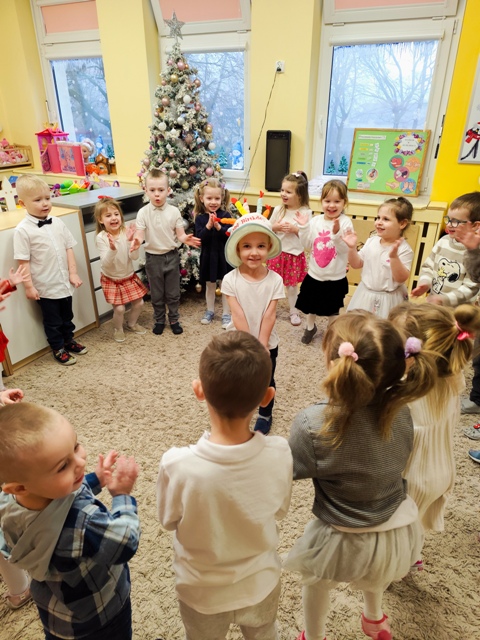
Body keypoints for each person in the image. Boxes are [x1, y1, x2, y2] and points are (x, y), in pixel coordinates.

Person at [285, 311, 436, 640]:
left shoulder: (312, 423)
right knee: (376, 572)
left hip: (340, 535)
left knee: (316, 581)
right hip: (394, 531)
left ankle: (314, 635)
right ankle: (374, 618)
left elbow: (289, 472)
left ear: (333, 362)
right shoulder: (402, 413)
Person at [156, 331, 292, 640]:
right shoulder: (280, 452)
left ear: (199, 391)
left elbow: (167, 520)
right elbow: (281, 510)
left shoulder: (177, 465)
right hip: (260, 584)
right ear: (267, 397)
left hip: (200, 592)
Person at [0, 403, 140, 639]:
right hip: (100, 617)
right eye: (63, 465)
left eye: (76, 446)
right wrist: (122, 496)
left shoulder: (9, 501)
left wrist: (96, 479)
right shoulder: (83, 522)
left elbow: (59, 495)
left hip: (56, 612)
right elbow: (126, 542)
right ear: (20, 487)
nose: (80, 462)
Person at [389, 302, 480, 569]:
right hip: (441, 470)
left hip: (411, 476)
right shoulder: (454, 376)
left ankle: (397, 564)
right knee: (416, 520)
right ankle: (413, 554)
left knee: (398, 525)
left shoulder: (403, 389)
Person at [13, 175, 87, 366]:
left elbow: (68, 248)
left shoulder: (58, 222)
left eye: (47, 198)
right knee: (53, 321)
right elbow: (23, 262)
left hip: (64, 282)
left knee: (67, 317)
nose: (45, 203)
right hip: (45, 287)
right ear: (22, 203)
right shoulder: (23, 230)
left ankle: (69, 340)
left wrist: (73, 273)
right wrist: (28, 286)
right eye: (38, 200)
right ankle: (58, 347)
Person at [221, 213, 284, 434]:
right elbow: (237, 313)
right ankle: (239, 410)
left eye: (260, 246)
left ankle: (265, 413)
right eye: (247, 246)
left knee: (266, 380)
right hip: (239, 341)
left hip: (267, 344)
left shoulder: (275, 280)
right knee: (238, 378)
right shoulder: (230, 279)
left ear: (269, 247)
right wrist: (250, 344)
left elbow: (270, 314)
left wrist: (262, 345)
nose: (254, 252)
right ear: (238, 249)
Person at [131, 168, 201, 336]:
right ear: (146, 190)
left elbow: (180, 234)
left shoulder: (174, 211)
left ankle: (174, 319)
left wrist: (185, 239)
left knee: (173, 293)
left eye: (161, 190)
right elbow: (140, 234)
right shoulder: (143, 212)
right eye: (152, 190)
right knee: (156, 294)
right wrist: (137, 241)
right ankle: (159, 320)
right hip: (153, 259)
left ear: (168, 190)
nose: (157, 194)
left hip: (171, 257)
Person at [295, 180, 354, 344]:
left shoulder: (346, 223)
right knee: (311, 306)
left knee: (333, 309)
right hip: (315, 274)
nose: (332, 205)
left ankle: (331, 331)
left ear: (344, 202)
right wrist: (303, 228)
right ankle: (310, 327)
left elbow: (344, 249)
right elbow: (307, 245)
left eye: (337, 201)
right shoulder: (315, 221)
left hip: (335, 277)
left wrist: (336, 235)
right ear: (321, 201)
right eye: (327, 201)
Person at [342, 197, 414, 318]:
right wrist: (351, 248)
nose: (379, 222)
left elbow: (401, 278)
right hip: (366, 295)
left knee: (385, 327)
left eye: (386, 219)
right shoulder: (372, 241)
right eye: (378, 217)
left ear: (402, 224)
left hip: (390, 299)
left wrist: (394, 258)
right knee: (361, 324)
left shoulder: (404, 249)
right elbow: (356, 264)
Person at [411, 191, 480, 307]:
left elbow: (471, 287)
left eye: (455, 221)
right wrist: (425, 283)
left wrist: (444, 299)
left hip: (459, 311)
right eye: (448, 219)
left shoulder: (475, 254)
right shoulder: (443, 241)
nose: (448, 224)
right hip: (435, 305)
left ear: (475, 226)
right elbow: (428, 267)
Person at [94, 197, 148, 343]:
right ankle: (118, 329)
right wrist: (112, 249)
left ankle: (132, 324)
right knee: (119, 309)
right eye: (108, 215)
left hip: (128, 276)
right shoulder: (101, 238)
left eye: (116, 214)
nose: (113, 218)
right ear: (100, 220)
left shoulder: (126, 232)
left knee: (139, 303)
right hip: (111, 279)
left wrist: (132, 243)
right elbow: (106, 264)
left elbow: (134, 257)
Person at [267, 171, 311, 326]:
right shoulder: (278, 209)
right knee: (272, 283)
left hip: (294, 254)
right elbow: (268, 227)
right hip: (277, 253)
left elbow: (308, 236)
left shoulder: (305, 212)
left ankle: (294, 310)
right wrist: (276, 227)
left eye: (288, 192)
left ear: (299, 194)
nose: (283, 194)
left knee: (292, 287)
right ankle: (269, 309)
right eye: (282, 190)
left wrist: (296, 229)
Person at [193, 178, 232, 327]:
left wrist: (218, 227)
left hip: (224, 257)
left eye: (217, 198)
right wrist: (208, 226)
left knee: (225, 286)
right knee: (210, 286)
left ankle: (226, 314)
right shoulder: (200, 218)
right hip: (208, 257)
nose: (213, 202)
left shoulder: (226, 216)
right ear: (202, 198)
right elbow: (199, 238)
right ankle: (210, 311)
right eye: (209, 198)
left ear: (222, 198)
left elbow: (229, 236)